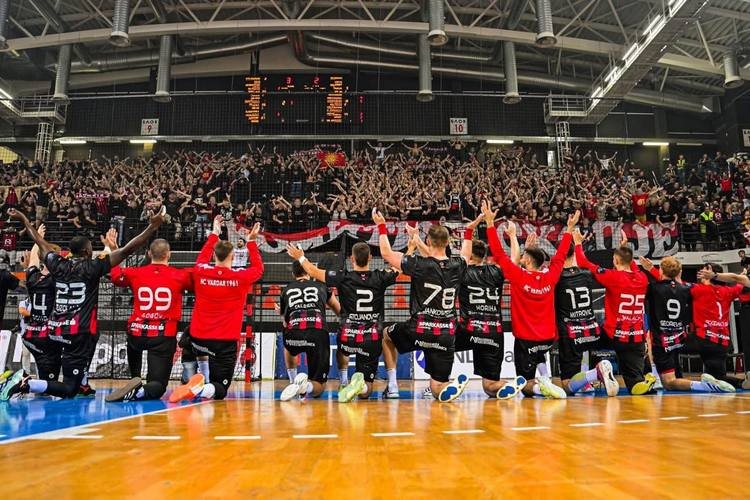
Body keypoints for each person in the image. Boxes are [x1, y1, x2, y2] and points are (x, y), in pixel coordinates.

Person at [0, 208, 164, 401]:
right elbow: (127, 250)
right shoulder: (92, 267)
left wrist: (24, 219)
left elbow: (38, 241)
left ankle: (47, 381)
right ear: (87, 251)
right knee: (71, 388)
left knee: (65, 377)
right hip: (78, 334)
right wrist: (152, 227)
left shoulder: (57, 264)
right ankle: (26, 383)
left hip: (56, 331)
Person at [482, 201, 575, 399]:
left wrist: (490, 224)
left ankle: (542, 388)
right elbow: (560, 257)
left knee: (524, 385)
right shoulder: (550, 276)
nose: (521, 256)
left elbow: (499, 254)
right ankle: (546, 379)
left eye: (524, 255)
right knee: (539, 355)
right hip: (547, 338)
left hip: (526, 340)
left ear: (529, 260)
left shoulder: (518, 276)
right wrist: (569, 229)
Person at [375, 210, 470, 403]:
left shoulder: (419, 264)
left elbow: (386, 253)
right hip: (446, 333)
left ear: (429, 241)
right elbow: (463, 253)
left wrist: (381, 226)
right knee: (437, 389)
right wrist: (418, 240)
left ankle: (392, 386)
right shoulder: (458, 265)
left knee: (386, 335)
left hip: (419, 329)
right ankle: (448, 385)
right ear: (448, 242)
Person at [168, 216, 264, 402]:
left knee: (188, 340)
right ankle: (200, 389)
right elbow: (259, 269)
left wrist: (214, 233)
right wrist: (251, 242)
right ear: (233, 256)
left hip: (198, 339)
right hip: (224, 343)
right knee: (220, 389)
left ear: (214, 255)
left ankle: (191, 375)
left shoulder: (200, 270)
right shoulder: (241, 277)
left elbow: (202, 256)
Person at [287, 241, 398, 402]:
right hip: (371, 338)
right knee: (366, 392)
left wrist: (301, 257)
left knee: (342, 347)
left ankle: (344, 381)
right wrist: (410, 248)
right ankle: (361, 387)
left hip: (348, 337)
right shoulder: (380, 277)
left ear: (352, 259)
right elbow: (400, 267)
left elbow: (312, 271)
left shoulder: (342, 277)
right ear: (370, 258)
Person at [105, 234, 194, 402]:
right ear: (169, 254)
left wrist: (114, 249)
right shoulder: (180, 275)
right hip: (162, 334)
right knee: (158, 385)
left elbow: (115, 276)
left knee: (134, 353)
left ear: (148, 254)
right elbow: (198, 281)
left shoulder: (135, 273)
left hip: (136, 332)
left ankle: (135, 379)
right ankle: (138, 392)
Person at [572, 230, 655, 395]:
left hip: (613, 335)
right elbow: (631, 267)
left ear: (616, 260)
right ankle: (645, 379)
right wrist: (624, 249)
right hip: (636, 338)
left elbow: (583, 262)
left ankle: (592, 374)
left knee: (578, 341)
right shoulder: (642, 278)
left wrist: (578, 243)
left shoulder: (613, 277)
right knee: (635, 385)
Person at [454, 216, 527, 399]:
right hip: (494, 332)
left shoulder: (462, 271)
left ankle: (440, 383)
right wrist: (513, 236)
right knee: (490, 386)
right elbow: (515, 261)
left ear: (470, 255)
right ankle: (510, 384)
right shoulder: (496, 271)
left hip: (468, 330)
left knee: (436, 344)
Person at [639, 257, 733, 392]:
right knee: (675, 374)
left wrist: (648, 269)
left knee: (669, 382)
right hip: (680, 337)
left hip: (664, 340)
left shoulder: (654, 287)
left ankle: (702, 385)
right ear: (679, 272)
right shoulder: (686, 289)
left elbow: (650, 287)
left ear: (661, 270)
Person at [555, 243, 618, 397]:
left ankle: (595, 373)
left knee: (567, 386)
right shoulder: (587, 274)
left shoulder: (557, 277)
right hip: (591, 329)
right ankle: (585, 382)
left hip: (571, 333)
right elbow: (612, 276)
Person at [278, 260, 341, 401]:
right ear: (309, 271)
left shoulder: (286, 290)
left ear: (293, 274)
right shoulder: (322, 286)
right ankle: (305, 386)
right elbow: (339, 311)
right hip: (317, 333)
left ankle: (292, 381)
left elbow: (285, 321)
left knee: (287, 337)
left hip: (293, 335)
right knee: (319, 388)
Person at [18, 225, 61, 383]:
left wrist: (38, 239)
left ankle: (27, 381)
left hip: (30, 334)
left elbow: (33, 261)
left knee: (43, 373)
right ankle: (23, 385)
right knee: (51, 381)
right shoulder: (57, 278)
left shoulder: (32, 276)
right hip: (48, 335)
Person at [693, 265, 747, 389]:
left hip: (702, 339)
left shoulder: (697, 289)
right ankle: (741, 383)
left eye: (705, 271)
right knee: (717, 376)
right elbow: (740, 282)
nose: (701, 273)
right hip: (722, 342)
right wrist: (743, 274)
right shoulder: (729, 291)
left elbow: (674, 284)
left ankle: (672, 377)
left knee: (671, 344)